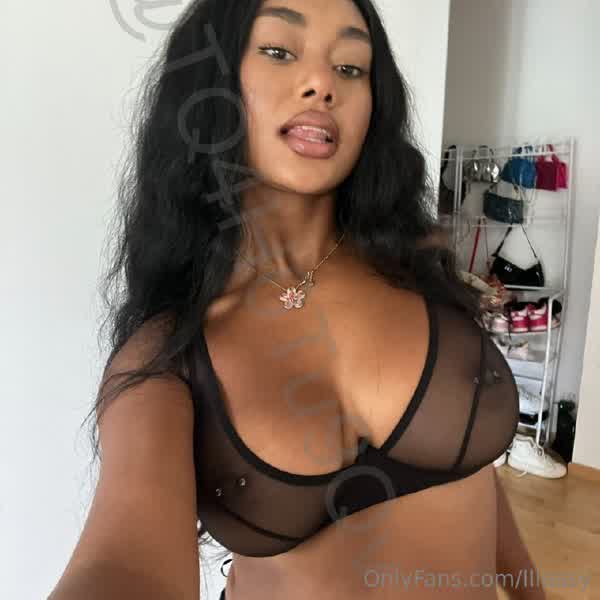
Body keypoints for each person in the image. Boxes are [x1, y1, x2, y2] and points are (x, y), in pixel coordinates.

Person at [48, 0, 547, 599]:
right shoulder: (169, 357)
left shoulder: (417, 262)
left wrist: (531, 593)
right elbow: (125, 567)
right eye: (279, 51)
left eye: (351, 67)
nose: (322, 84)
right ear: (211, 84)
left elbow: (470, 471)